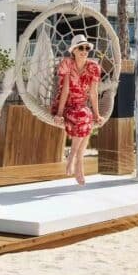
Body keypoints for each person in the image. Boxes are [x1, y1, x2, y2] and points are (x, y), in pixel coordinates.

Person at [52, 34, 102, 185]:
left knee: (87, 117)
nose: (84, 51)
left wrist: (97, 115)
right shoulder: (67, 64)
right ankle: (75, 158)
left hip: (82, 106)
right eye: (81, 48)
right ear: (73, 50)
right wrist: (59, 114)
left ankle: (76, 159)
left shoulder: (93, 67)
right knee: (85, 116)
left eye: (87, 48)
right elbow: (65, 90)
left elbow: (93, 93)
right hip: (66, 105)